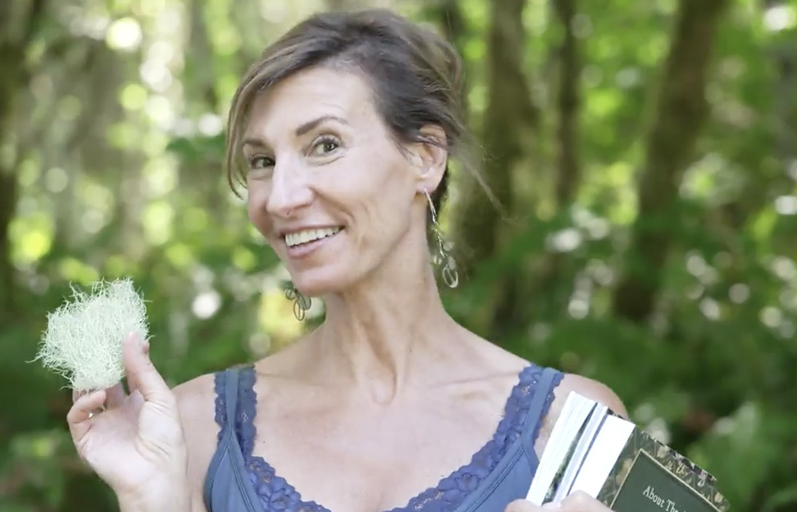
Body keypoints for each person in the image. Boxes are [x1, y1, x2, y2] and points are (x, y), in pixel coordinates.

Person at [67, 8, 628, 512]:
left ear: (425, 158)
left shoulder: (571, 423)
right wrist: (150, 502)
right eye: (261, 160)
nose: (280, 197)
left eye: (325, 145)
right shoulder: (190, 428)